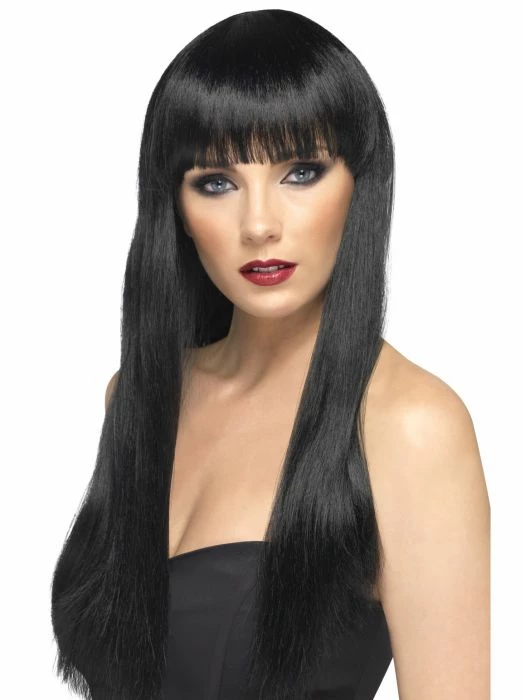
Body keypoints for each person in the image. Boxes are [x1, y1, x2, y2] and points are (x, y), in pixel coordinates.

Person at [51, 8, 490, 700]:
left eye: (301, 171)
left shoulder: (409, 426)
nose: (258, 224)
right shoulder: (136, 398)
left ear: (359, 182)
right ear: (175, 206)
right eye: (216, 182)